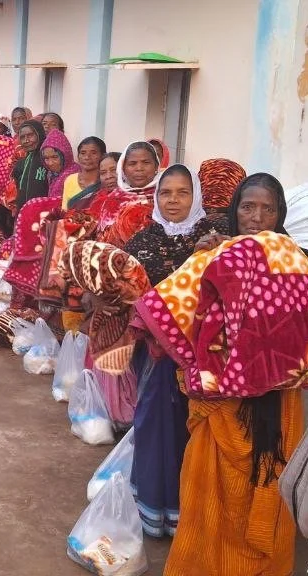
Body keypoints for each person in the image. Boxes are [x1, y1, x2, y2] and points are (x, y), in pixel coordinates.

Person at [140, 173, 305, 575]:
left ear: (280, 214)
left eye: (268, 208)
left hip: (279, 407)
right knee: (213, 493)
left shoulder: (298, 262)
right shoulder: (214, 258)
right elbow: (176, 319)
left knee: (269, 485)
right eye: (248, 207)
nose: (257, 217)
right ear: (235, 210)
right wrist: (202, 263)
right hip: (222, 409)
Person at [122, 165, 228, 538]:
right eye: (166, 193)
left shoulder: (217, 238)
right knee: (154, 427)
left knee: (195, 433)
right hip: (154, 356)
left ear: (195, 196)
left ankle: (192, 516)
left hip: (205, 358)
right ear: (156, 196)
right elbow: (124, 292)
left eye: (183, 193)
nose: (173, 200)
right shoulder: (140, 241)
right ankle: (154, 511)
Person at [11, 120, 49, 213]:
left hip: (42, 214)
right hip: (22, 214)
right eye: (23, 137)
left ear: (39, 134)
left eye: (30, 135)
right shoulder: (21, 163)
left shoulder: (47, 159)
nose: (26, 140)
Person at [60, 136, 107, 208]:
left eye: (93, 153)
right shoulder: (70, 180)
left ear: (102, 156)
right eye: (83, 153)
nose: (87, 157)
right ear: (78, 156)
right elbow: (64, 210)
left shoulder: (106, 181)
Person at [40, 129, 78, 199]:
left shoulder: (72, 175)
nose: (50, 163)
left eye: (55, 157)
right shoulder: (51, 174)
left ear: (65, 155)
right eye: (46, 158)